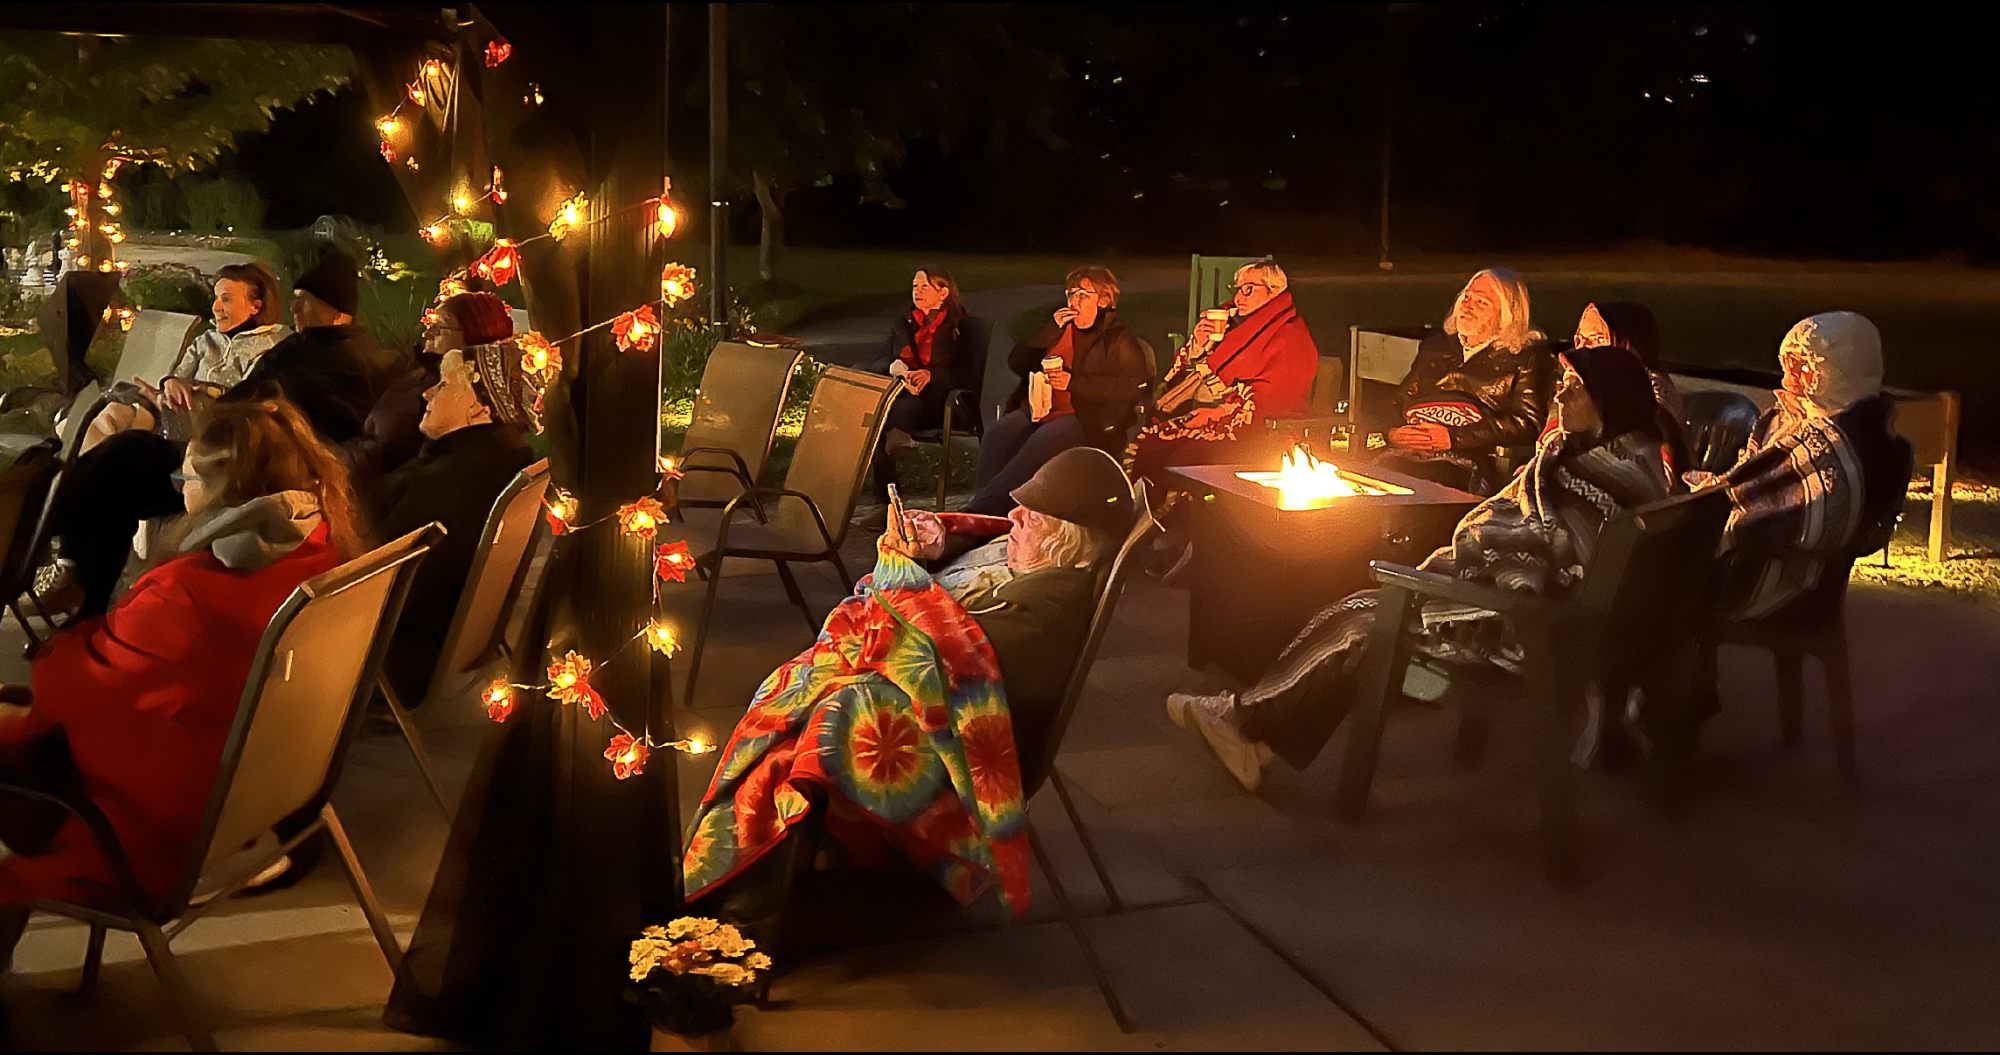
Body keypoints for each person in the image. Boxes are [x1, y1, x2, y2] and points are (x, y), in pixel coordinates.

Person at [1168, 346, 1677, 791]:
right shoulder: (1633, 465)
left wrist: (1465, 558)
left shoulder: (1590, 478)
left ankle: (1242, 721)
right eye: (1561, 384)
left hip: (1530, 631)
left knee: (1362, 619)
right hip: (1573, 627)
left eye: (1575, 388)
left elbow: (1539, 553)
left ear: (1611, 401)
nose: (1560, 397)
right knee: (1371, 610)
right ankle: (1253, 738)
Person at [682, 447, 1137, 920]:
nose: (1014, 516)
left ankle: (749, 875)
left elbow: (943, 657)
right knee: (796, 723)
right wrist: (935, 547)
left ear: (1067, 542)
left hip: (947, 737)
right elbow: (982, 552)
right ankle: (754, 863)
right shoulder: (1036, 561)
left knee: (813, 735)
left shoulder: (1043, 605)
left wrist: (897, 573)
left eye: (1034, 518)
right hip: (906, 697)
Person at [0, 400, 363, 951]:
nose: (180, 486)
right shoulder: (319, 553)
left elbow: (76, 691)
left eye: (186, 474)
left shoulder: (188, 595)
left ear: (223, 489)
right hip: (238, 796)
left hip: (145, 825)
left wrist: (69, 645)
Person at [39, 248, 403, 618]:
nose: (294, 312)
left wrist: (212, 410)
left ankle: (43, 530)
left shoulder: (340, 362)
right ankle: (77, 581)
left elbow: (276, 414)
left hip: (244, 468)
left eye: (304, 303)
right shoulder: (312, 346)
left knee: (126, 459)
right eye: (294, 301)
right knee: (122, 459)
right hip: (225, 444)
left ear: (337, 313)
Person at [1698, 312, 1909, 620]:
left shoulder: (1851, 442)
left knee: (1660, 576)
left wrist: (1723, 502)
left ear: (1840, 371)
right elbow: (1756, 475)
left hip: (1786, 581)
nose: (1791, 380)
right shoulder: (1788, 420)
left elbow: (1791, 505)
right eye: (1790, 366)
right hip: (1767, 561)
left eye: (1806, 369)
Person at [370, 332, 539, 706]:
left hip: (384, 662)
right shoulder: (498, 459)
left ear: (479, 409)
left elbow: (374, 584)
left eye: (443, 386)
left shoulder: (449, 485)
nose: (427, 395)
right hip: (427, 648)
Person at [965, 265, 1151, 516]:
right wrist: (1051, 329)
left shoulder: (1117, 338)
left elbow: (1133, 384)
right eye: (1071, 293)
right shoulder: (1060, 329)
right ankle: (986, 506)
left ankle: (980, 512)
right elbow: (1016, 362)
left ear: (1105, 301)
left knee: (1036, 446)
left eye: (1084, 294)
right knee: (997, 435)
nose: (1075, 300)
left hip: (1083, 417)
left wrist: (1072, 383)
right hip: (1038, 409)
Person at [1128, 257, 1319, 496]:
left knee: (1182, 460)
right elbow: (1190, 375)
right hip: (1209, 414)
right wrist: (1198, 345)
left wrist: (1218, 413)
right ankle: (1144, 517)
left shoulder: (1289, 335)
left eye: (1248, 290)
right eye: (1237, 289)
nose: (1239, 297)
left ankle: (1183, 519)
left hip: (1258, 429)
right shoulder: (1228, 320)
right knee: (1152, 446)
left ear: (1274, 291)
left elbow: (1272, 397)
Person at [1374, 268, 1553, 494]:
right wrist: (1392, 431)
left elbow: (1527, 423)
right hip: (1406, 452)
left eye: (1481, 302)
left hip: (1464, 460)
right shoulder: (1438, 348)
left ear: (1508, 316)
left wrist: (1453, 438)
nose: (1468, 306)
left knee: (1417, 485)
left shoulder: (1525, 358)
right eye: (1466, 297)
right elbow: (1398, 400)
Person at [81, 261, 289, 452]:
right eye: (216, 298)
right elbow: (178, 375)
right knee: (114, 415)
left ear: (256, 306)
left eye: (226, 299)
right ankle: (72, 473)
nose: (216, 307)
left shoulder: (270, 348)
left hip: (215, 426)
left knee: (121, 420)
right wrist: (172, 383)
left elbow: (252, 398)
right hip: (174, 414)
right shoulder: (206, 341)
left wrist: (206, 390)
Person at [223, 247, 407, 445]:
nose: (293, 307)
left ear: (337, 314)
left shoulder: (348, 361)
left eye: (304, 299)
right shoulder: (298, 344)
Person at [349, 290, 514, 494]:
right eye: (430, 324)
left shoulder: (450, 404)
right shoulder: (419, 376)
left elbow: (406, 473)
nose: (427, 334)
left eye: (440, 328)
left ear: (474, 334)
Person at [867, 267, 969, 500]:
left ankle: (885, 504)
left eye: (925, 286)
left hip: (937, 400)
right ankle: (897, 435)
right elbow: (879, 359)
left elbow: (968, 375)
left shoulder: (960, 328)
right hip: (901, 391)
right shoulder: (904, 323)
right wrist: (893, 367)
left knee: (882, 417)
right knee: (862, 378)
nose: (917, 291)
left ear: (943, 293)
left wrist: (931, 376)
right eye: (915, 286)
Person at [1569, 300, 1691, 474]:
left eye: (1596, 339)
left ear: (1627, 346)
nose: (1582, 348)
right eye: (1579, 339)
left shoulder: (1650, 392)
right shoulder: (1592, 385)